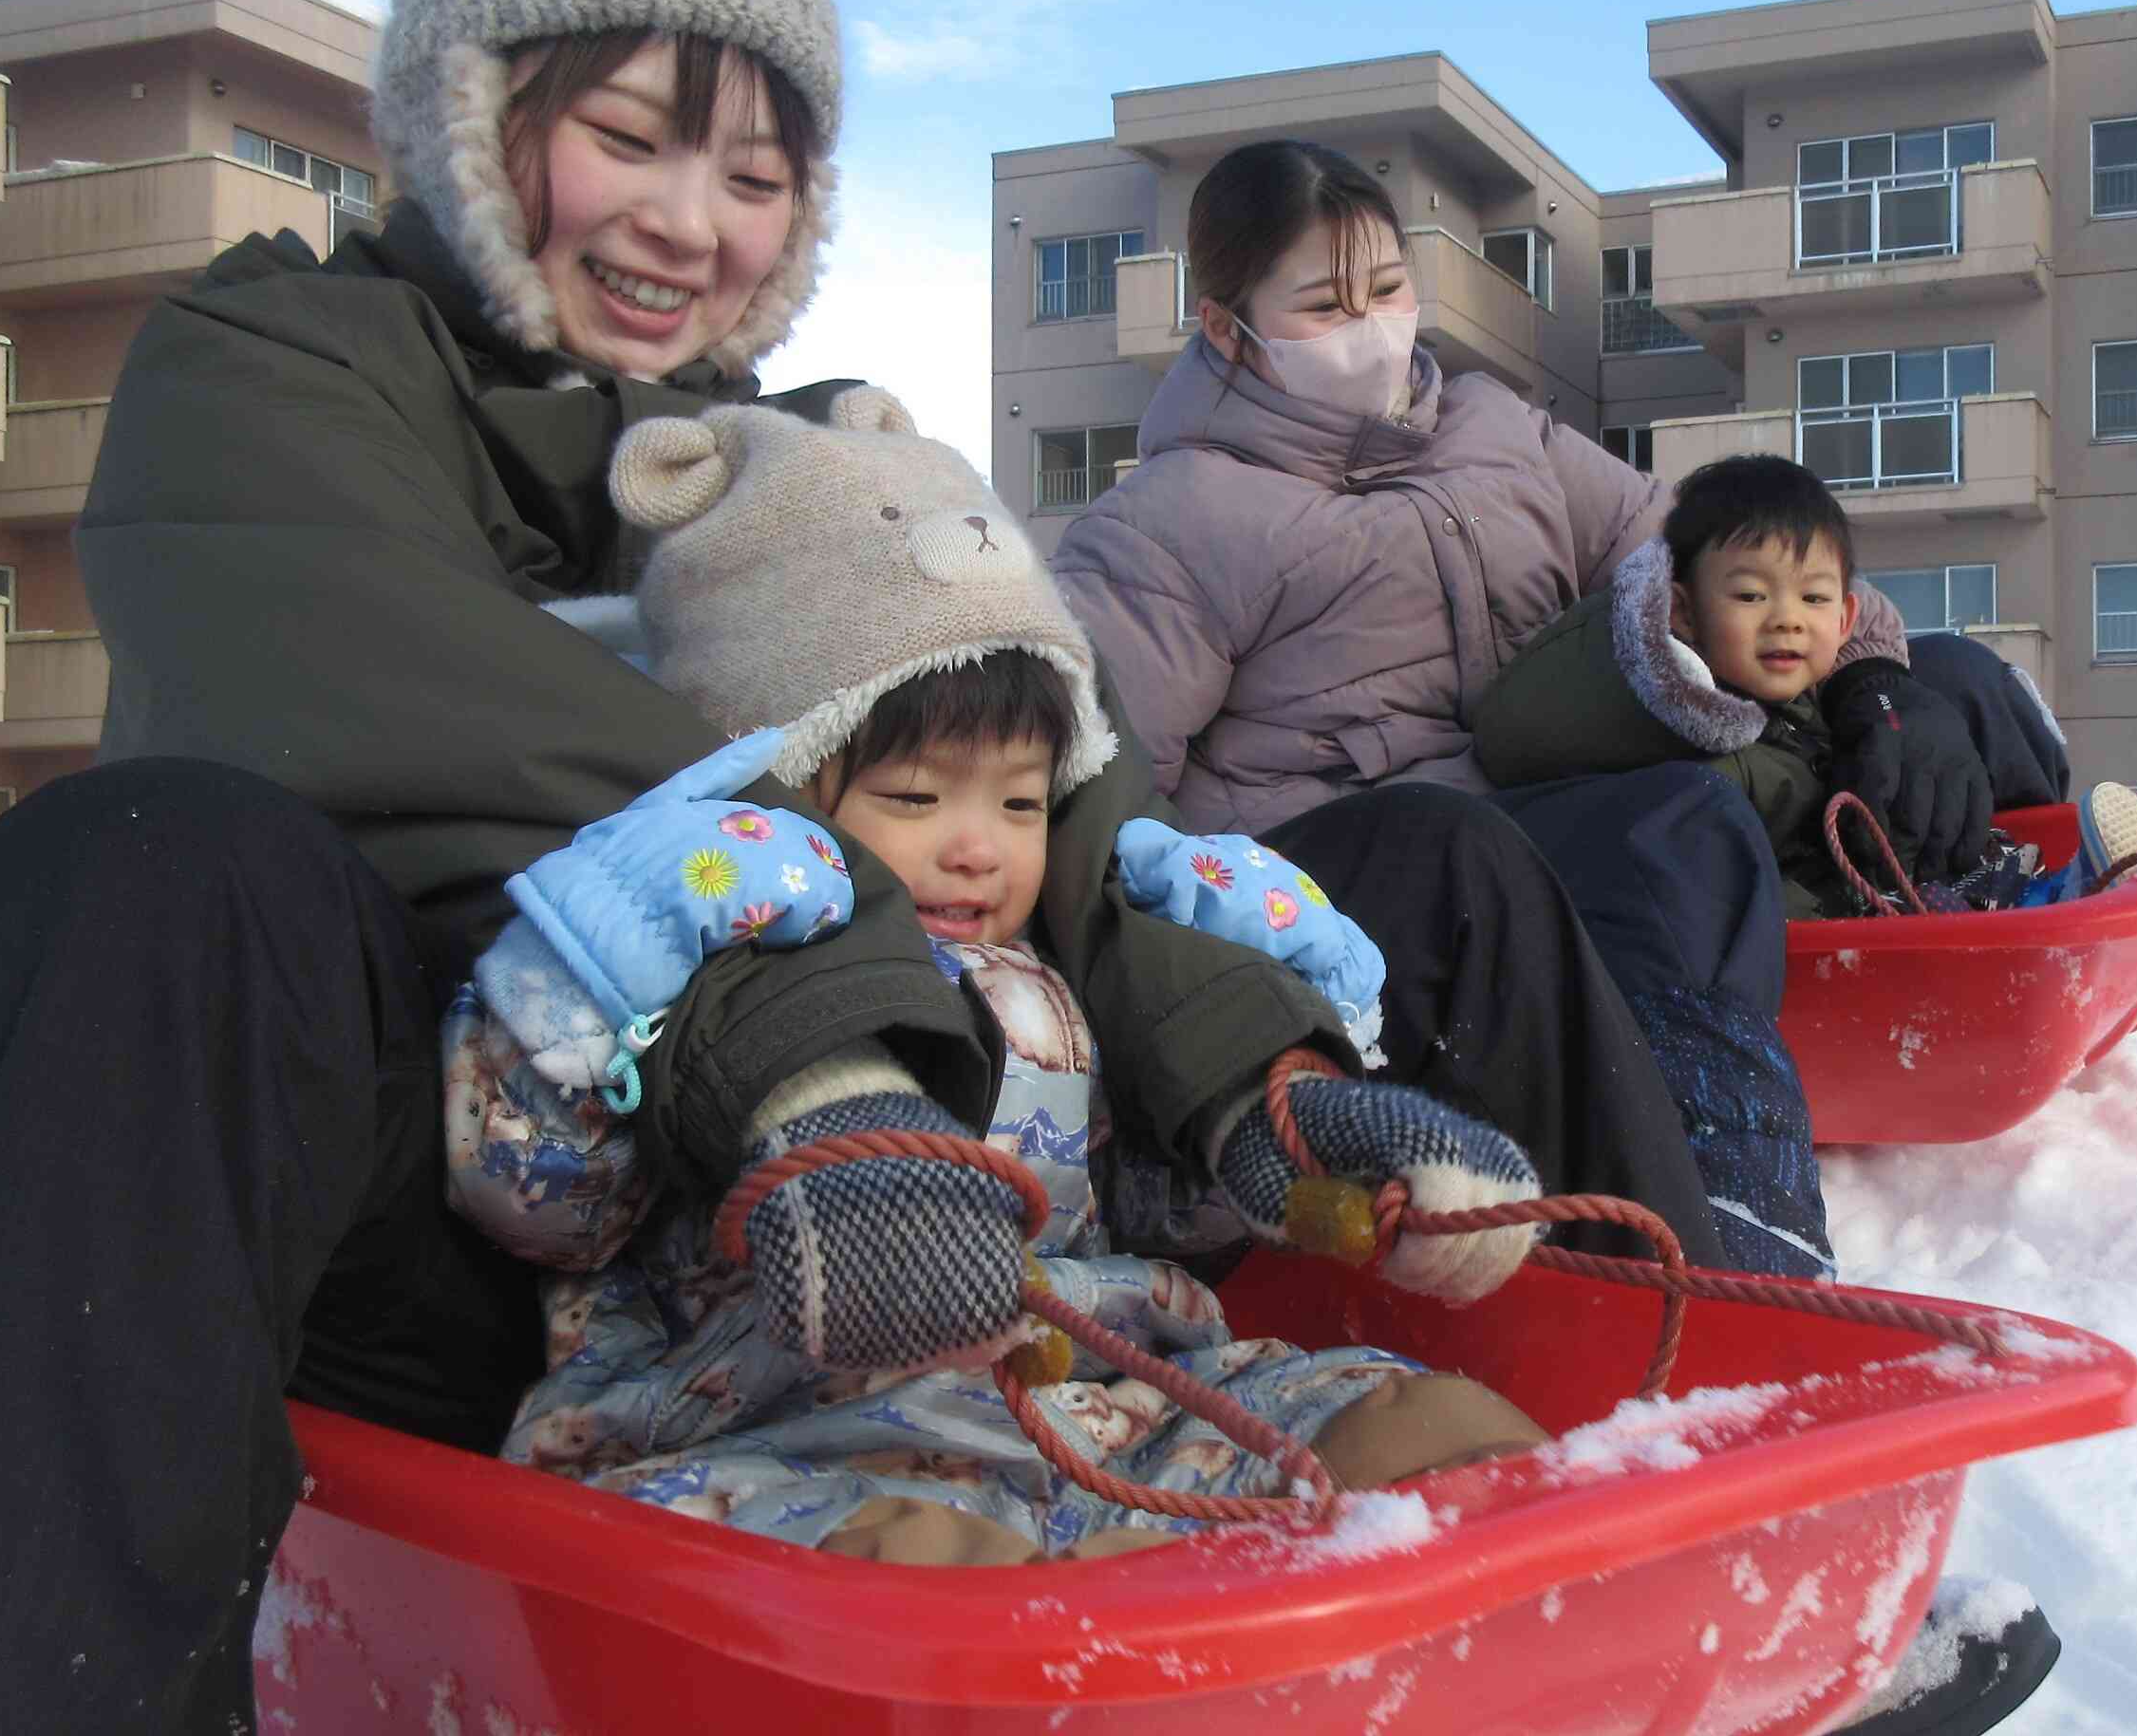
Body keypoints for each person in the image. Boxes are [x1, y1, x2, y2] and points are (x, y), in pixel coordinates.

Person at [0, 0, 1680, 1736]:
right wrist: (812, 963)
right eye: (627, 135)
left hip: (916, 1203)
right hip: (476, 1210)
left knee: (1424, 865)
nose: (688, 224)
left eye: (760, 174)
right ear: (465, 113)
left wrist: (1255, 1064)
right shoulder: (285, 373)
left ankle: (1701, 1525)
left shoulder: (815, 471)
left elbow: (1047, 802)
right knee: (135, 882)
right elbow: (367, 709)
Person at [1053, 140, 2065, 1736]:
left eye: (1386, 287)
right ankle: (1693, 1508)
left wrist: (1876, 678)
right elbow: (1084, 793)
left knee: (1680, 813)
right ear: (1229, 330)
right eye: (1322, 303)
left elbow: (1725, 549)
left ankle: (1734, 1264)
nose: (1372, 326)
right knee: (1465, 860)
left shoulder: (1500, 436)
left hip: (1514, 863)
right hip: (1318, 894)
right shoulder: (1171, 522)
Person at [462, 395, 1549, 1560]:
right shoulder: (669, 968)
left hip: (1109, 1403)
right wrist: (586, 1026)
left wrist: (1301, 1160)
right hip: (783, 1431)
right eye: (915, 798)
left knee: (1437, 1430)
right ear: (764, 792)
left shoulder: (1056, 978)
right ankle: (1072, 1684)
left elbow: (1142, 1208)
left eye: (1022, 801)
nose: (977, 843)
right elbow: (544, 1202)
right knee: (914, 1568)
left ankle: (1494, 1660)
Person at [1478, 454, 2137, 916]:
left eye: (1812, 601)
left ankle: (2069, 887)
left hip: (1897, 886)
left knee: (1962, 692)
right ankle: (2070, 902)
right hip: (1840, 928)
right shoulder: (1703, 756)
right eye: (1749, 597)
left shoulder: (1811, 707)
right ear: (1684, 611)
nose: (1785, 621)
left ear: (1845, 618)